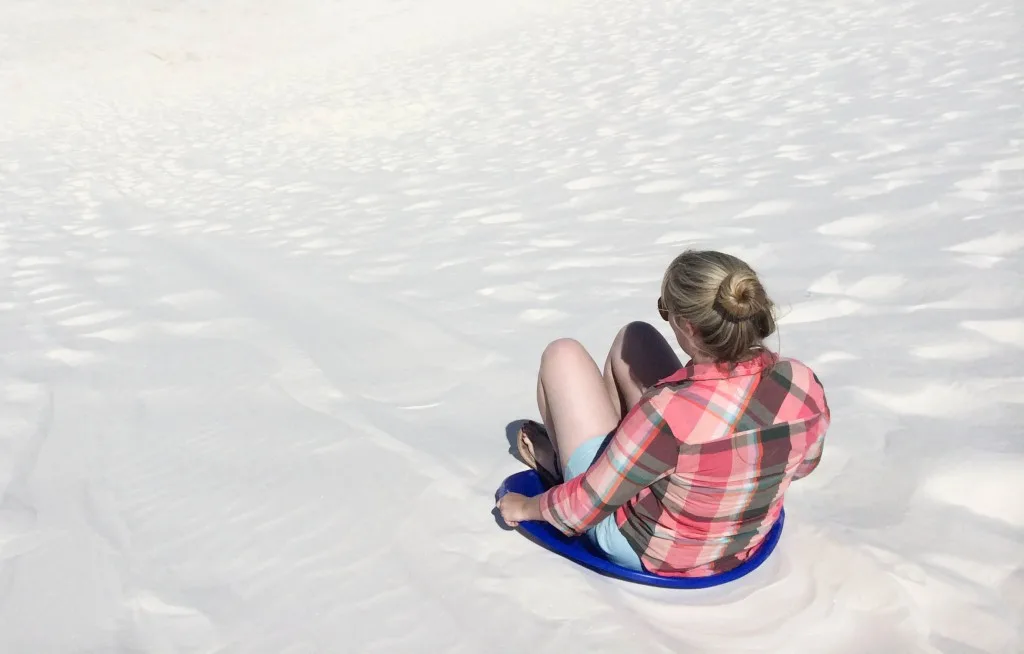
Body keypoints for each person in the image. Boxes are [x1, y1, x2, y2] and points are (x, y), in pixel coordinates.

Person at [496, 249, 831, 577]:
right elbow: (803, 466)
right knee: (635, 336)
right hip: (745, 538)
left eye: (665, 310)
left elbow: (584, 509)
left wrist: (525, 507)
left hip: (654, 552)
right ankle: (625, 462)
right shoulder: (802, 383)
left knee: (562, 355)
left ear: (689, 326)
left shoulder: (668, 411)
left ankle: (568, 465)